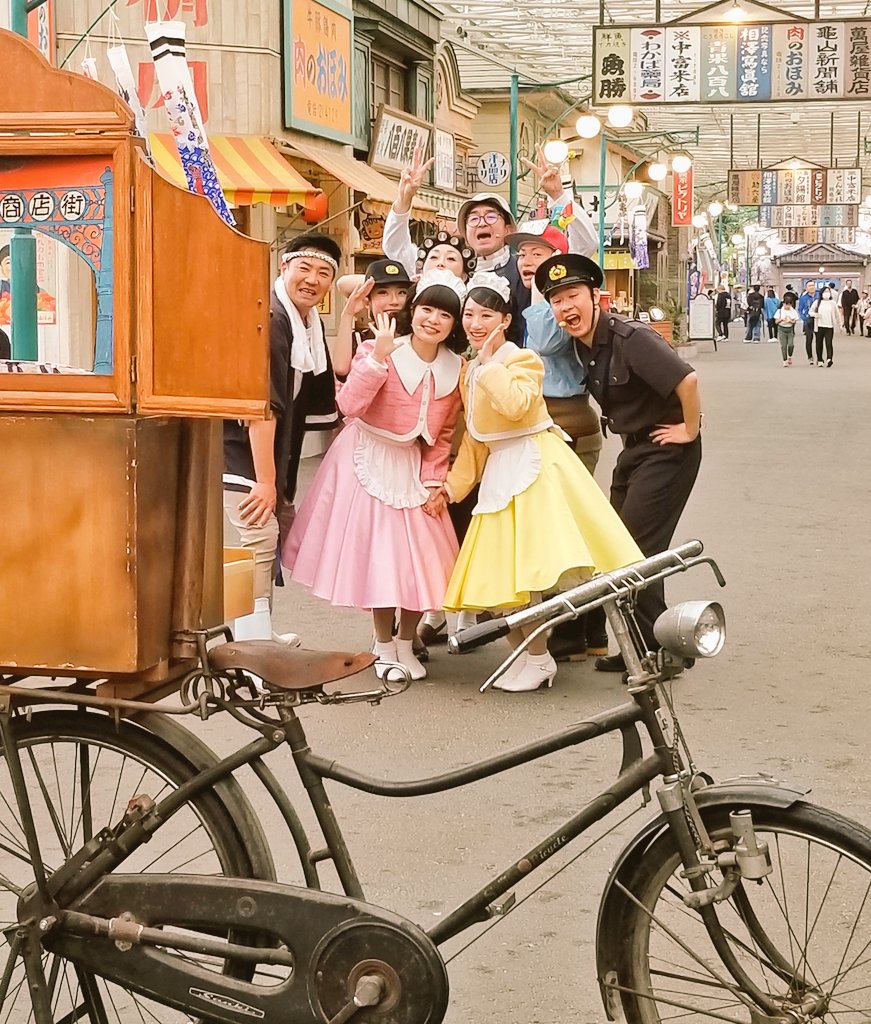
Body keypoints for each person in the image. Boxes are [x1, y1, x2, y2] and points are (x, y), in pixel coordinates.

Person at [425, 272, 641, 693]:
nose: (475, 323)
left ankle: (542, 657)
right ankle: (531, 656)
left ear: (504, 320)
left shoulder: (522, 360)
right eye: (469, 314)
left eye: (486, 315)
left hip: (535, 468)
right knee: (502, 580)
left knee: (524, 577)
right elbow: (476, 438)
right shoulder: (473, 369)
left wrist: (489, 367)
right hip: (500, 474)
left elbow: (517, 405)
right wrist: (452, 487)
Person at [283, 270, 466, 682]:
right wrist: (379, 358)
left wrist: (435, 480)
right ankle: (383, 645)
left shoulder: (457, 369)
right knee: (382, 560)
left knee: (424, 561)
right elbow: (348, 405)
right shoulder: (379, 349)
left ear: (454, 324)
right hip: (368, 457)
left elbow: (444, 435)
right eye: (426, 309)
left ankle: (407, 641)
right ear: (413, 310)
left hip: (413, 467)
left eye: (444, 314)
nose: (432, 320)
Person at [535, 253, 702, 675]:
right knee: (613, 544)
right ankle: (633, 645)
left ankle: (661, 654)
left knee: (639, 553)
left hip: (667, 451)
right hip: (634, 451)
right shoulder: (582, 344)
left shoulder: (631, 337)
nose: (566, 307)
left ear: (596, 296)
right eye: (556, 301)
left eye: (573, 295)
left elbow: (688, 380)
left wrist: (689, 429)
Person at [222, 233, 342, 642]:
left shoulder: (306, 322)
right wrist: (268, 483)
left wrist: (351, 314)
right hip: (235, 446)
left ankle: (258, 635)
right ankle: (253, 647)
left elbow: (331, 375)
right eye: (303, 268)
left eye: (324, 272)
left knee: (266, 534)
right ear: (283, 268)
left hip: (264, 448)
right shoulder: (273, 318)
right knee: (258, 533)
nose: (312, 279)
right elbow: (263, 408)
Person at [512, 218, 606, 662]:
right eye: (523, 254)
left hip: (568, 420)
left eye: (538, 253)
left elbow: (547, 344)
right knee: (563, 526)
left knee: (565, 529)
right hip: (543, 423)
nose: (528, 261)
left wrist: (539, 294)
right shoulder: (536, 296)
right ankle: (583, 630)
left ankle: (578, 629)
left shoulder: (557, 306)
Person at [809, 286, 838, 367]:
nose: (827, 293)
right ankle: (820, 359)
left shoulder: (833, 303)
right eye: (825, 291)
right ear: (821, 293)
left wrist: (840, 324)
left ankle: (829, 359)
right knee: (819, 343)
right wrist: (815, 315)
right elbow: (810, 311)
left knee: (829, 343)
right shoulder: (817, 302)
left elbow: (837, 314)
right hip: (819, 326)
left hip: (829, 326)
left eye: (828, 291)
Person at [774, 291, 798, 366]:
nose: (787, 306)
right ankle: (785, 360)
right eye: (785, 304)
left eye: (788, 304)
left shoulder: (793, 311)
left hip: (790, 329)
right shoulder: (780, 311)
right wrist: (781, 319)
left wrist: (791, 320)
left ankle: (790, 356)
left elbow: (795, 320)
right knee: (783, 345)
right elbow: (776, 321)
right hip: (782, 329)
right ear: (783, 303)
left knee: (791, 345)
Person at [797, 280, 818, 364]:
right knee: (809, 339)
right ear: (806, 288)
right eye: (809, 286)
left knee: (819, 339)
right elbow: (800, 309)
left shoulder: (819, 296)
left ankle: (819, 357)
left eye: (813, 285)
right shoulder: (803, 298)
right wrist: (804, 318)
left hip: (818, 319)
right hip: (808, 320)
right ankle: (810, 356)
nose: (811, 287)